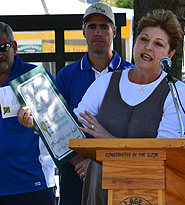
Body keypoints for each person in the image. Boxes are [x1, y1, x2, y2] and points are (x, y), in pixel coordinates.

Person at [17, 3, 134, 205]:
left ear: (114, 32)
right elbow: (56, 126)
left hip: (121, 170)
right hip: (76, 172)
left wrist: (100, 165)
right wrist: (82, 163)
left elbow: (135, 129)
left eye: (104, 27)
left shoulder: (131, 74)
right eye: (92, 26)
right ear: (83, 32)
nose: (98, 32)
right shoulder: (66, 75)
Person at [73, 9, 185, 205]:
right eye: (144, 39)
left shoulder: (176, 91)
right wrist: (39, 123)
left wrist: (107, 140)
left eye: (158, 44)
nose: (148, 48)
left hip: (149, 196)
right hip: (100, 194)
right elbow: (72, 127)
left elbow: (162, 158)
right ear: (135, 42)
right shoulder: (106, 82)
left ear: (170, 54)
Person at [0, 22, 56, 205]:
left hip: (33, 184)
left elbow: (61, 125)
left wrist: (38, 124)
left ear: (14, 47)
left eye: (3, 47)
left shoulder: (35, 78)